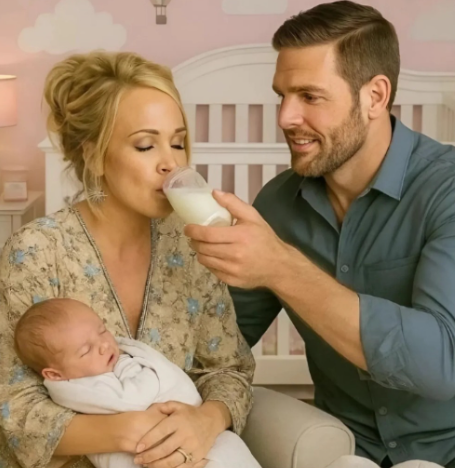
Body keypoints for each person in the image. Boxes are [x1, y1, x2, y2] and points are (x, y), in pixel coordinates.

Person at [185, 1, 455, 467]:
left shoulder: (445, 190)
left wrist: (281, 268)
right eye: (282, 96)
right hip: (342, 449)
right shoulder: (278, 204)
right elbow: (219, 343)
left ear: (375, 97)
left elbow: (442, 364)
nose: (286, 117)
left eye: (310, 96)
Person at [0, 50, 254, 468]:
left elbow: (229, 369)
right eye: (146, 145)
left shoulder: (189, 246)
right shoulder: (36, 252)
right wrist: (130, 432)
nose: (172, 163)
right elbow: (11, 405)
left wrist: (206, 420)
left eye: (178, 143)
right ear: (94, 155)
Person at [13, 298, 261, 468]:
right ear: (55, 375)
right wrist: (129, 365)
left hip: (192, 434)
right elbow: (133, 399)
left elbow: (230, 369)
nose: (104, 345)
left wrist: (208, 418)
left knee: (229, 447)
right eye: (86, 350)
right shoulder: (80, 389)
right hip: (150, 451)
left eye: (102, 330)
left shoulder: (101, 362)